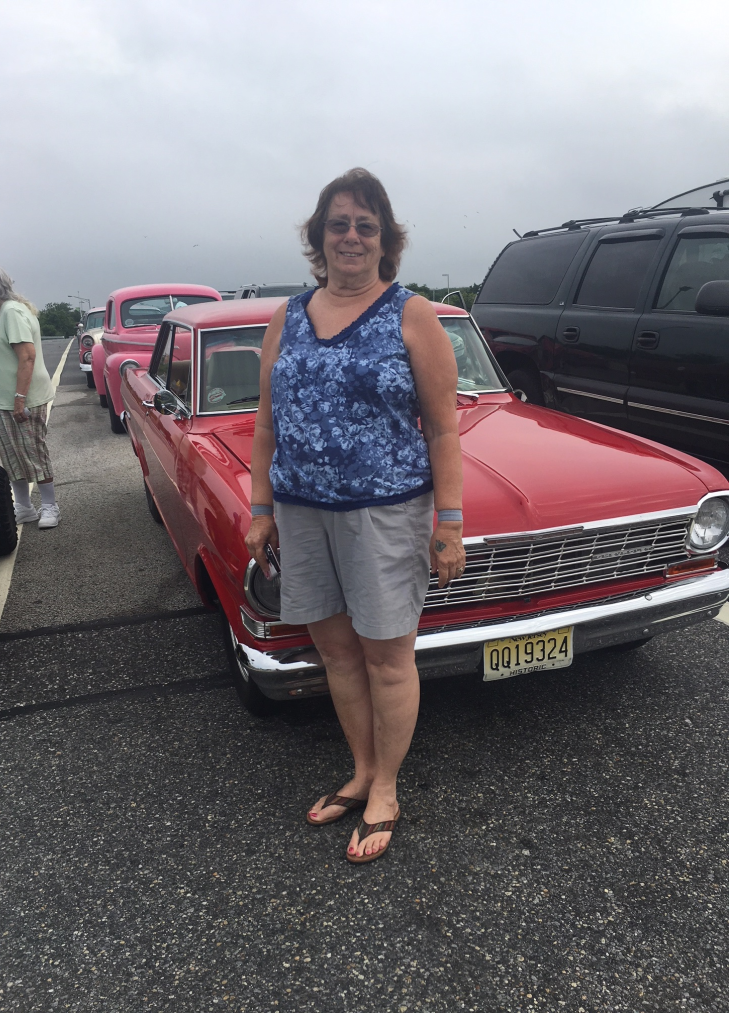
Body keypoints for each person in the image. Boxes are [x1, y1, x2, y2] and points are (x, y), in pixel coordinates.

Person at [245, 168, 466, 863]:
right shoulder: (287, 317)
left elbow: (443, 429)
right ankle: (363, 770)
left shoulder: (412, 315)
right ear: (319, 237)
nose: (350, 236)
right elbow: (265, 422)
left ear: (385, 240)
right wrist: (259, 507)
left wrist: (450, 523)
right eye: (337, 224)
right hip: (302, 512)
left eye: (365, 226)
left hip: (385, 515)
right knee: (338, 654)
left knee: (387, 659)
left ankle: (388, 789)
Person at [0, 266, 61, 529]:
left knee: (33, 452)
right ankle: (24, 507)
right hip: (1, 401)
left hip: (23, 398)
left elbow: (27, 356)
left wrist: (19, 398)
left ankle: (50, 506)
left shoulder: (12, 312)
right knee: (11, 455)